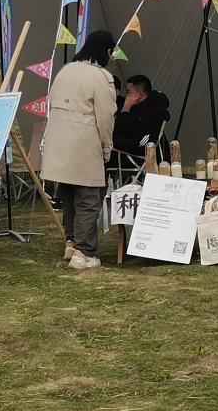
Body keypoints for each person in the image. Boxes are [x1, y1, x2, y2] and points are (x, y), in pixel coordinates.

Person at [41, 30, 117, 270]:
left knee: (69, 196)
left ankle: (72, 243)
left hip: (58, 144)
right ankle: (84, 252)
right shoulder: (102, 77)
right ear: (106, 51)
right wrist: (107, 148)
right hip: (84, 143)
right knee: (88, 199)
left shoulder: (65, 70)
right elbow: (106, 117)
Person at [111, 74, 171, 159]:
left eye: (128, 92)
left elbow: (121, 127)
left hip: (142, 152)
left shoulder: (149, 112)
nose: (127, 96)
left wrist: (126, 107)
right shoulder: (146, 107)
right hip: (138, 146)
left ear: (138, 95)